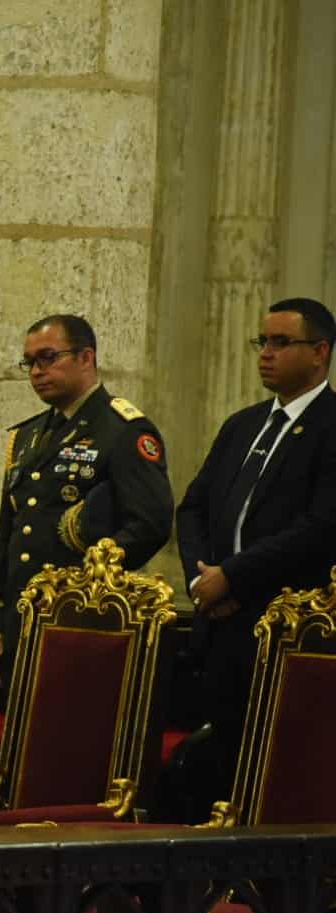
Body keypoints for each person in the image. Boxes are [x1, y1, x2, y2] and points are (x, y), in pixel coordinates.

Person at [169, 297, 336, 820]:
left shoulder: (332, 426)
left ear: (320, 352)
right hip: (221, 626)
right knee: (221, 759)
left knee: (276, 772)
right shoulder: (242, 425)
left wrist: (233, 578)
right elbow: (192, 507)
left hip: (288, 629)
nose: (265, 353)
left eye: (280, 342)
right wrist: (202, 583)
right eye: (261, 341)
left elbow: (319, 527)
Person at [0, 314, 173, 685]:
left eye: (48, 357)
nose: (37, 371)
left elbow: (150, 523)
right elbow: (11, 531)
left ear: (86, 358)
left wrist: (86, 582)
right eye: (30, 362)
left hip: (84, 617)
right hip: (23, 616)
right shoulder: (28, 436)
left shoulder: (122, 430)